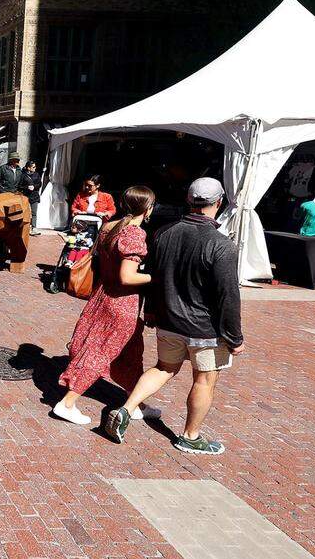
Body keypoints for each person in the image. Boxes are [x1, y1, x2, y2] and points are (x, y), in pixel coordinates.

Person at [106, 178, 244, 455]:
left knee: (163, 368)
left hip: (169, 319)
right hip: (205, 328)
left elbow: (154, 277)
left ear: (189, 201)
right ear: (218, 203)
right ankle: (190, 436)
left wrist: (153, 312)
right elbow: (228, 296)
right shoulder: (221, 244)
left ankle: (126, 409)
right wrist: (234, 337)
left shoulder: (163, 233)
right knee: (204, 379)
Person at [52, 186, 159, 425]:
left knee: (130, 353)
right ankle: (67, 403)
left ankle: (136, 402)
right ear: (148, 208)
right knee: (99, 352)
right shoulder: (133, 233)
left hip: (103, 295)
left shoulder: (110, 226)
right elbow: (127, 277)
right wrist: (157, 277)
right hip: (122, 302)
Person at [19, 160, 43, 236]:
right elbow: (19, 186)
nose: (35, 168)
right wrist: (27, 187)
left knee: (34, 213)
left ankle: (34, 228)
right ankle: (25, 227)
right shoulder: (23, 175)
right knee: (25, 212)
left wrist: (34, 187)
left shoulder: (37, 174)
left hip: (34, 196)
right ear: (28, 168)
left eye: (35, 167)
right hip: (26, 196)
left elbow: (40, 184)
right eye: (33, 167)